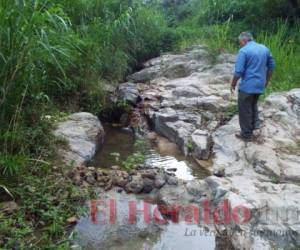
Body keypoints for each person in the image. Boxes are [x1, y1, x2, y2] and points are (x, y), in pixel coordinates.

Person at [231, 32, 275, 142]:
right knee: (253, 104)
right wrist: (266, 81)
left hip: (248, 86)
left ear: (243, 41)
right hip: (260, 84)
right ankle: (256, 127)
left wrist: (233, 84)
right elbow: (271, 67)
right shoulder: (264, 48)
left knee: (244, 108)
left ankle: (246, 135)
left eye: (240, 43)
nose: (240, 45)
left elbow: (238, 72)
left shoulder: (244, 51)